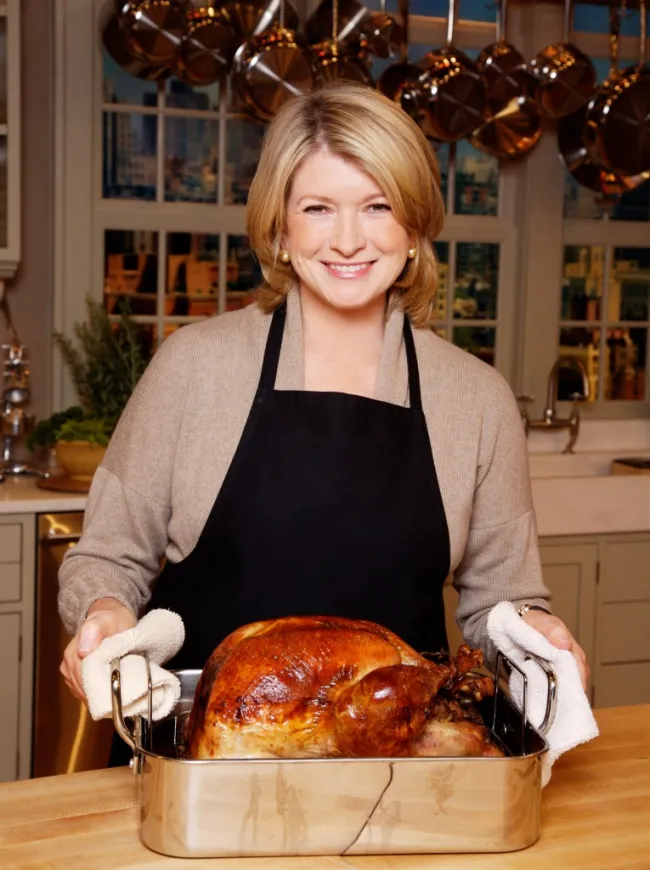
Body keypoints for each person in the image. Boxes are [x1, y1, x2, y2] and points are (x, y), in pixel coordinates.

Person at [59, 83, 589, 728]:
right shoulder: (196, 367)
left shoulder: (475, 398)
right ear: (280, 227)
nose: (346, 240)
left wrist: (537, 635)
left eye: (376, 206)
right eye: (317, 208)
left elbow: (501, 602)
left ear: (414, 227)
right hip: (201, 758)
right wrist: (103, 614)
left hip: (397, 758)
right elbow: (107, 558)